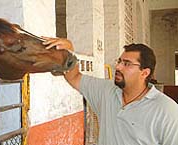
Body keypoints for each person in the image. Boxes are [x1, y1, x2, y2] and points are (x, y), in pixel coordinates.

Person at [42, 37, 178, 145]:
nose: (118, 67)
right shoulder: (107, 91)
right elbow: (74, 77)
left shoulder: (167, 110)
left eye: (126, 64)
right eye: (119, 61)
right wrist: (68, 51)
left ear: (144, 72)